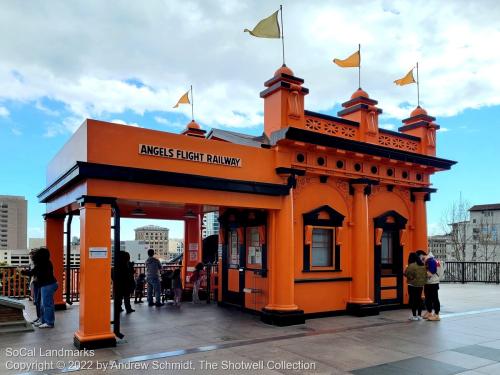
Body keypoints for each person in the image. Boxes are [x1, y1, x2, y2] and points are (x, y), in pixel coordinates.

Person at [22, 247, 58, 328]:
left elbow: (32, 273)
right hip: (48, 285)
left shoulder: (42, 263)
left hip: (48, 285)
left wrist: (22, 271)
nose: (35, 255)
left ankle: (49, 322)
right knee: (43, 305)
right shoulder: (46, 262)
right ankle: (43, 321)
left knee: (47, 305)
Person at [404, 252, 427, 321]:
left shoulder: (411, 266)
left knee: (413, 300)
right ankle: (419, 315)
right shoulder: (422, 265)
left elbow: (406, 274)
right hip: (420, 285)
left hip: (412, 285)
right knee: (419, 299)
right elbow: (425, 274)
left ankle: (414, 316)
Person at [423, 251, 441, 321]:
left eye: (422, 257)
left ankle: (436, 315)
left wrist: (423, 273)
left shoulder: (431, 261)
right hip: (428, 282)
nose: (421, 258)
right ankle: (429, 312)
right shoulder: (429, 261)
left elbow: (431, 272)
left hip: (433, 283)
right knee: (428, 298)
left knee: (434, 298)